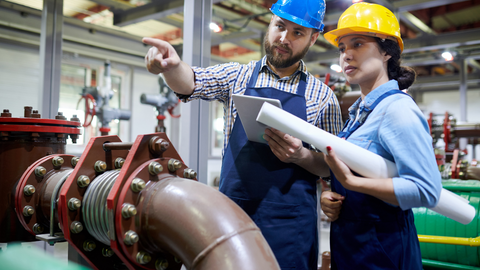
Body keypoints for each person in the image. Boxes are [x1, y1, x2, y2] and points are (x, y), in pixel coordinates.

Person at [143, 0, 342, 268]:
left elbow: (332, 165)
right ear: (270, 23)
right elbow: (191, 82)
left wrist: (302, 156)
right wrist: (171, 67)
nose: (284, 38)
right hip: (233, 215)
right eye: (280, 26)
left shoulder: (323, 97)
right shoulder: (237, 75)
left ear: (313, 38)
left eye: (298, 32)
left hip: (291, 225)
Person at [319, 3, 442, 270]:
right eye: (341, 48)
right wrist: (333, 199)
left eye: (358, 44)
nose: (346, 55)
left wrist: (352, 183)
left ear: (387, 51)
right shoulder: (360, 114)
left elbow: (426, 190)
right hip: (353, 250)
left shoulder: (396, 109)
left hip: (384, 253)